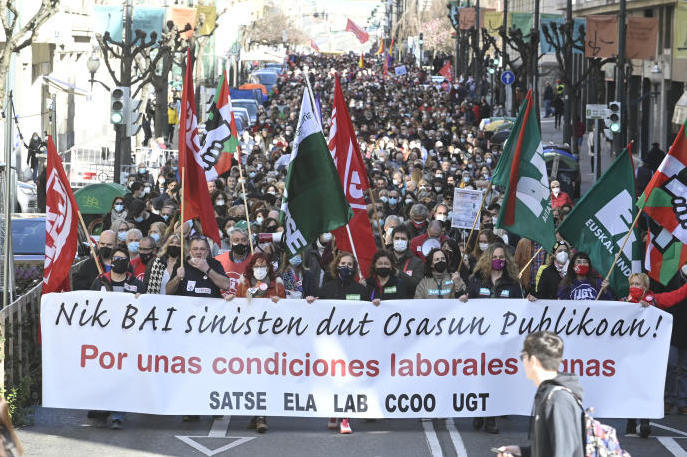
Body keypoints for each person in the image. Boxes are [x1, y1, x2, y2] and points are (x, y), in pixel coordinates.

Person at [305, 251, 367, 435]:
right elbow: (317, 310)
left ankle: (345, 418)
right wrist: (311, 301)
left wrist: (376, 304)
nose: (346, 267)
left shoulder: (360, 290)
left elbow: (371, 313)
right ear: (336, 265)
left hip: (352, 344)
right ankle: (334, 412)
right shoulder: (326, 288)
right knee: (332, 380)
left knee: (348, 381)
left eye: (350, 264)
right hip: (331, 344)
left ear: (354, 268)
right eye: (343, 263)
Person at [496, 331, 584, 457]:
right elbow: (550, 448)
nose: (523, 362)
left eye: (523, 356)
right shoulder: (549, 394)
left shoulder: (557, 400)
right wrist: (522, 452)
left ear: (533, 361)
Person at [166, 236, 230, 298]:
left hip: (209, 308)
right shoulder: (181, 265)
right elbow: (168, 291)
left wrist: (207, 269)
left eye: (202, 249)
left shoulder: (215, 264)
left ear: (207, 252)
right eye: (195, 249)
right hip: (186, 307)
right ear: (190, 252)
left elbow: (227, 285)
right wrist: (177, 278)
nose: (198, 252)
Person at [215, 226, 252, 295]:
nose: (240, 243)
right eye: (236, 240)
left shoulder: (255, 260)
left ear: (248, 242)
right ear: (230, 242)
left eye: (243, 240)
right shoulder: (218, 260)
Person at [390, 226, 425, 295]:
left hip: (408, 301)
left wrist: (398, 273)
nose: (399, 241)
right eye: (397, 238)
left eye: (403, 239)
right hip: (388, 300)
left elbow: (417, 285)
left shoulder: (417, 262)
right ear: (392, 240)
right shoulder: (385, 259)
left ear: (409, 241)